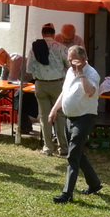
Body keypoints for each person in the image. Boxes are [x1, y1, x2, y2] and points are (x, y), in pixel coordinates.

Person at [53, 44, 103, 201]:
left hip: (84, 118)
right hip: (70, 118)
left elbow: (90, 92)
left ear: (83, 59)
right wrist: (54, 109)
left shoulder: (92, 74)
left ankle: (67, 194)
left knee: (72, 157)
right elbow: (65, 91)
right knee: (78, 154)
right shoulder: (69, 71)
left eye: (73, 60)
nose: (70, 64)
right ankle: (94, 184)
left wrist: (81, 73)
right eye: (69, 60)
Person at [25, 23, 69, 157]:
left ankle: (48, 148)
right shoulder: (61, 47)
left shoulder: (34, 48)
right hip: (57, 84)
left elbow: (28, 69)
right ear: (54, 34)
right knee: (60, 116)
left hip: (40, 84)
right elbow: (69, 64)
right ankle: (63, 148)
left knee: (44, 117)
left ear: (42, 33)